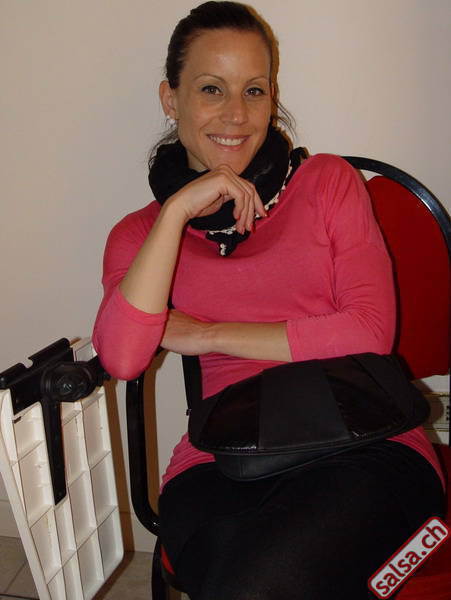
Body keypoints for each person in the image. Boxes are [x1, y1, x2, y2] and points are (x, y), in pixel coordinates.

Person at [93, 2, 445, 598]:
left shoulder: (327, 182)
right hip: (220, 456)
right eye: (211, 88)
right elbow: (123, 359)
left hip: (364, 440)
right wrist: (175, 213)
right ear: (170, 99)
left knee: (254, 582)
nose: (236, 114)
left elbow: (368, 331)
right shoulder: (142, 235)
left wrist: (206, 333)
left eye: (254, 90)